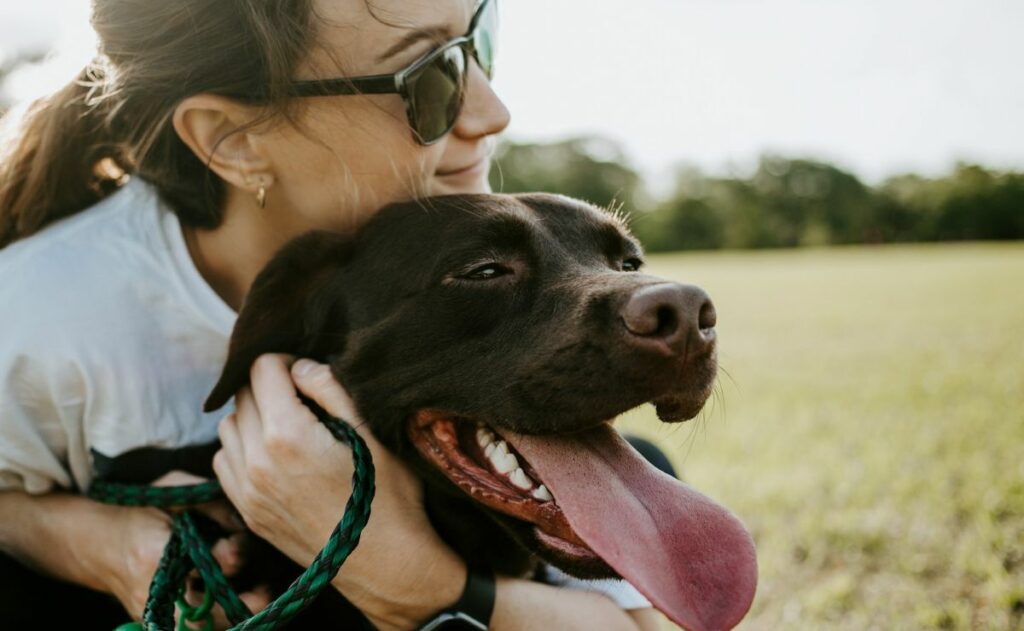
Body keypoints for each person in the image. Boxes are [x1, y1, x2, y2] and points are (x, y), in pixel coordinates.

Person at [0, 0, 663, 629]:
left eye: (479, 41)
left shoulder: (459, 237)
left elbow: (635, 622)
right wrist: (101, 544)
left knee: (646, 457)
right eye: (429, 77)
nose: (493, 112)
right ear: (233, 139)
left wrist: (409, 577)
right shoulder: (41, 313)